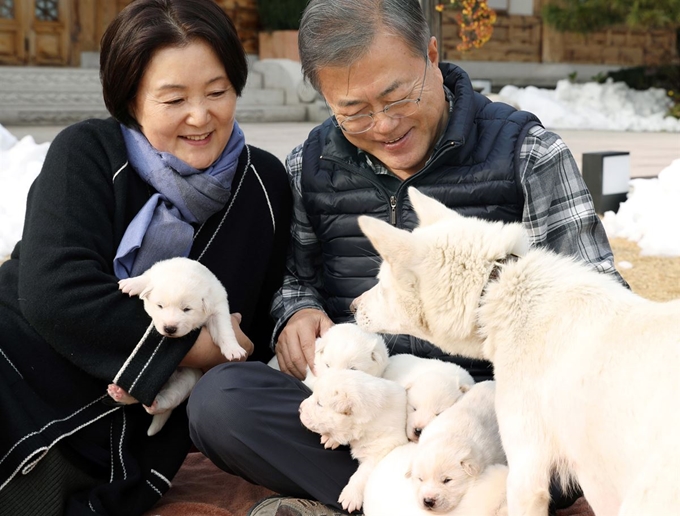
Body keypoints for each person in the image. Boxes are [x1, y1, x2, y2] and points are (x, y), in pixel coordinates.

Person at [187, 0, 624, 514]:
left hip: (489, 412)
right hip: (365, 404)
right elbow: (294, 280)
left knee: (566, 433)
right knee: (221, 403)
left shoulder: (527, 154)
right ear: (326, 99)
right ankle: (447, 503)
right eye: (353, 111)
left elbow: (602, 306)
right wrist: (296, 313)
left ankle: (381, 498)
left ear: (432, 56)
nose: (384, 125)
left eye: (398, 96)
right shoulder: (311, 164)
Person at [0, 0, 292, 514]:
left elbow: (268, 312)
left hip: (130, 434)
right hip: (17, 367)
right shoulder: (86, 152)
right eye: (173, 98)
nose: (200, 116)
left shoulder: (264, 184)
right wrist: (196, 347)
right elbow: (54, 292)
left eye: (218, 92)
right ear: (131, 99)